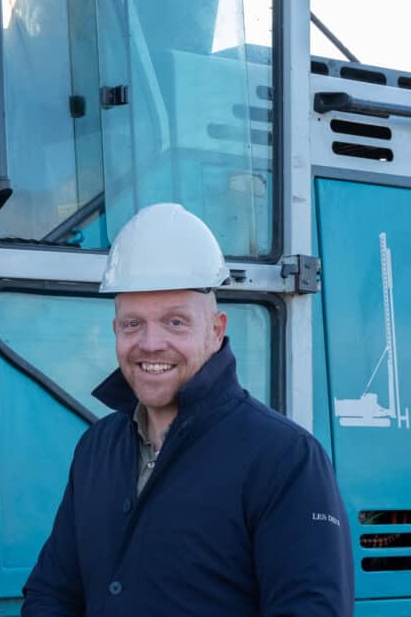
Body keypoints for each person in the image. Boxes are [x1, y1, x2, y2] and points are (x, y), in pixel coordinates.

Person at [21, 203, 354, 617]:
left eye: (175, 322)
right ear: (115, 331)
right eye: (133, 324)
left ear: (216, 331)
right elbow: (51, 594)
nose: (150, 343)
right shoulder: (96, 449)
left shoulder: (285, 458)